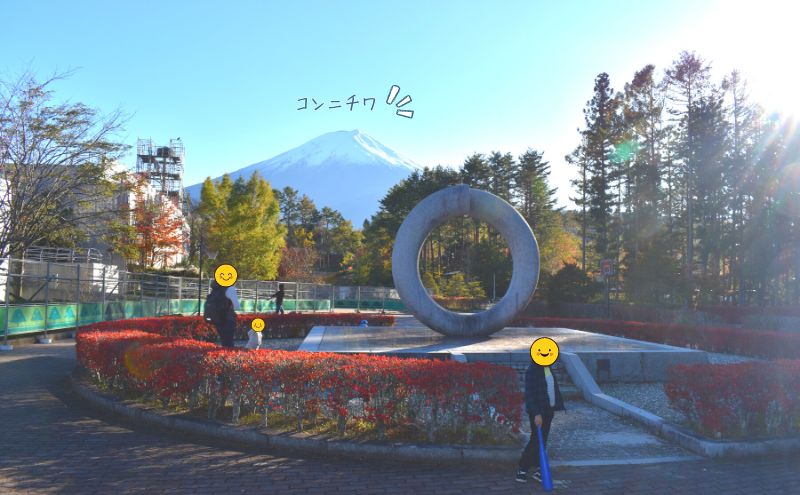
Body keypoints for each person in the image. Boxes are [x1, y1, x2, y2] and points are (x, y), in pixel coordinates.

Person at [516, 360, 565, 484]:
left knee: (542, 440)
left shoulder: (547, 367)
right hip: (538, 412)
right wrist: (537, 413)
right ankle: (522, 469)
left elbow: (552, 388)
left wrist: (556, 406)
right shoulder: (532, 370)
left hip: (548, 410)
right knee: (536, 441)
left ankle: (538, 469)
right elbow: (530, 394)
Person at [205, 280, 237, 348]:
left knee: (224, 341)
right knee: (229, 343)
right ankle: (227, 357)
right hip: (228, 318)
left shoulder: (216, 289)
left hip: (217, 319)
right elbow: (237, 305)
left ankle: (223, 356)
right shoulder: (230, 289)